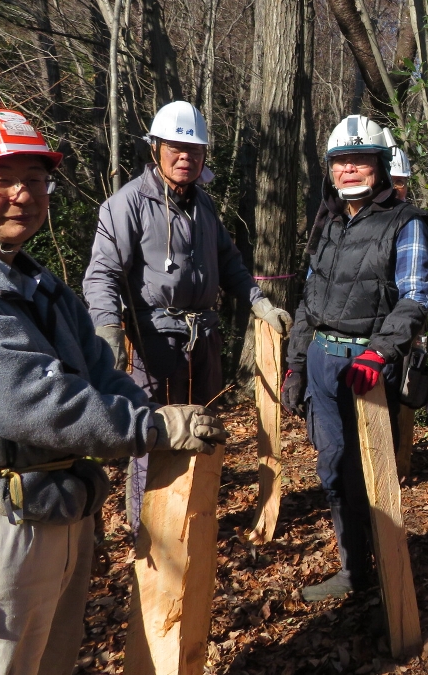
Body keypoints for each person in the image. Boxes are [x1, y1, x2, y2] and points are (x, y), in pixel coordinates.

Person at [0, 107, 227, 675]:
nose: (23, 194)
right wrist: (154, 428)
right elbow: (31, 402)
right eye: (0, 179)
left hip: (60, 519)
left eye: (36, 178)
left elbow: (100, 370)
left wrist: (149, 411)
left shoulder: (37, 283)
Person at [82, 101, 291, 530]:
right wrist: (106, 328)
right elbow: (101, 274)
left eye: (194, 151)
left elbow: (230, 263)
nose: (185, 157)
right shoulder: (126, 205)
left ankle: (197, 519)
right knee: (156, 436)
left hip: (204, 339)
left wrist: (258, 301)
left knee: (206, 427)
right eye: (176, 148)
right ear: (155, 148)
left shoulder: (204, 207)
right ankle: (149, 529)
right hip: (153, 341)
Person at [281, 115, 428, 601]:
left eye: (360, 159)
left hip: (368, 367)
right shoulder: (327, 221)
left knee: (372, 476)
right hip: (323, 362)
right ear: (330, 168)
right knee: (332, 469)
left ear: (380, 165)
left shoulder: (405, 222)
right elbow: (308, 300)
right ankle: (354, 571)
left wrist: (379, 353)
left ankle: (391, 582)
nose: (350, 169)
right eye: (341, 161)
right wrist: (296, 363)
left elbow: (414, 299)